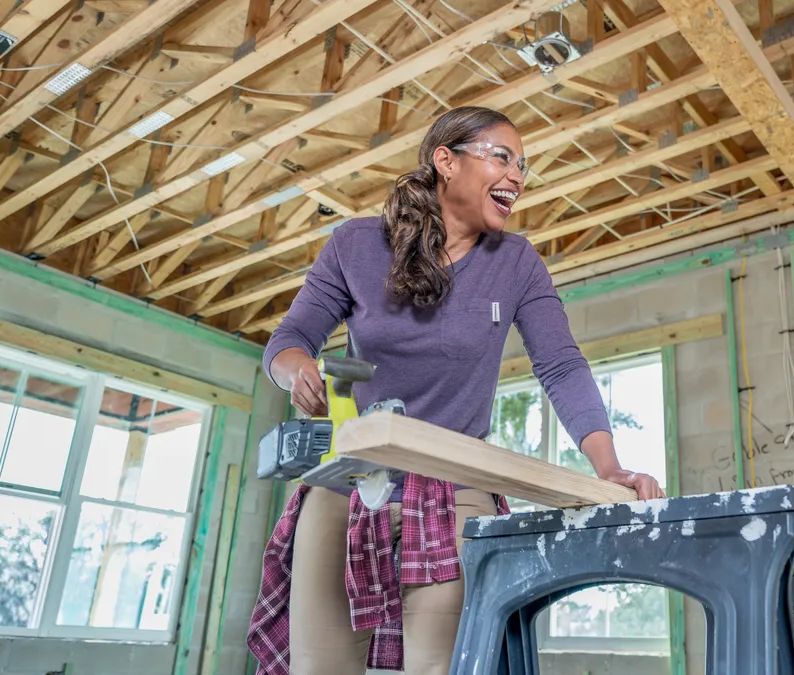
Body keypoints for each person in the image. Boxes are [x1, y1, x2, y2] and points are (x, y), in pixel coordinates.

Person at [246, 105, 665, 675]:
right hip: (348, 482)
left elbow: (561, 367)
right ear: (446, 161)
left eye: (523, 166)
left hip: (454, 485)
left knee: (441, 666)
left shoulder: (516, 263)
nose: (516, 176)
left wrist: (608, 468)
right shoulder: (355, 245)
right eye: (501, 157)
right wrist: (296, 371)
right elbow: (289, 339)